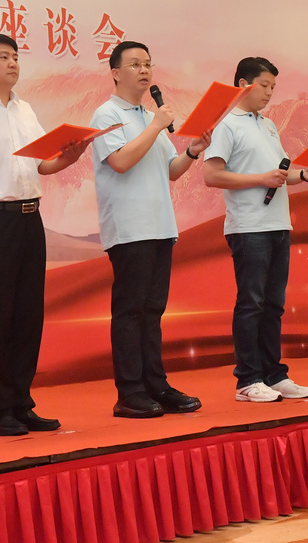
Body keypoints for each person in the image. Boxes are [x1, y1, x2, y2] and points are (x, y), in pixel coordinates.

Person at [0, 32, 89, 436]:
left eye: (16, 57)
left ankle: (22, 403)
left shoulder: (24, 109)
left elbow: (41, 165)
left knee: (28, 316)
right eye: (4, 57)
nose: (13, 64)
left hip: (30, 219)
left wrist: (70, 157)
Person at [89, 41, 210, 418]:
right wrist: (157, 125)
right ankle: (129, 392)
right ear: (115, 73)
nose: (144, 70)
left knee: (153, 310)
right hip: (130, 227)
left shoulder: (148, 115)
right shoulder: (106, 114)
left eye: (148, 64)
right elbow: (121, 161)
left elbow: (169, 171)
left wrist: (191, 151)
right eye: (135, 64)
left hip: (160, 225)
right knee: (131, 311)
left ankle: (156, 384)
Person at [203, 57, 308, 403]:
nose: (270, 93)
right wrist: (260, 179)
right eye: (264, 85)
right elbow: (212, 175)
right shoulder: (227, 124)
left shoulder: (267, 125)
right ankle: (247, 379)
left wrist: (305, 175)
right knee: (251, 303)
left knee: (273, 305)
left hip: (278, 223)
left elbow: (279, 174)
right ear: (243, 84)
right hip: (249, 226)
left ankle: (274, 374)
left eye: (273, 87)